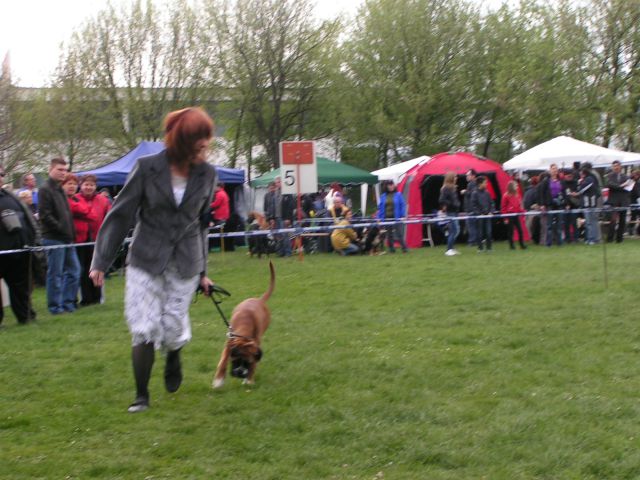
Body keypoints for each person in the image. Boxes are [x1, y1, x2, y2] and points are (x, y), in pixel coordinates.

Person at [89, 107, 217, 413]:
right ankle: (141, 396)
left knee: (173, 328)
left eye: (206, 137)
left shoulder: (208, 174)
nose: (204, 144)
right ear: (182, 138)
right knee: (144, 325)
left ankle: (174, 353)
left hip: (185, 259)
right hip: (146, 258)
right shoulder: (147, 168)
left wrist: (203, 272)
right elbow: (120, 215)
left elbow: (202, 224)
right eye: (198, 137)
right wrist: (101, 261)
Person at [39, 157, 81, 314]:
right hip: (53, 237)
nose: (63, 173)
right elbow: (45, 215)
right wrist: (61, 228)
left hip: (67, 238)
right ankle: (55, 307)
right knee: (55, 274)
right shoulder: (44, 189)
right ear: (51, 169)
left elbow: (67, 214)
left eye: (65, 170)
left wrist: (70, 232)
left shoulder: (60, 190)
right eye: (60, 170)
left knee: (74, 272)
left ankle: (68, 303)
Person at [0, 166, 41, 325]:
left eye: (1, 174)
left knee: (21, 288)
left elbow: (28, 219)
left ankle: (25, 317)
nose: (0, 178)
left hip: (19, 251)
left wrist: (33, 241)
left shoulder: (9, 195)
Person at [76, 174, 111, 305]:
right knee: (83, 270)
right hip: (81, 240)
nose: (89, 187)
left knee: (97, 269)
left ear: (95, 186)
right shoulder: (76, 198)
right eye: (86, 184)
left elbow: (109, 216)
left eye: (91, 185)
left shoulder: (103, 200)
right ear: (81, 185)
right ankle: (85, 298)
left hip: (98, 239)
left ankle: (97, 297)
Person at [376, 180, 408, 253]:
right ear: (386, 186)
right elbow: (380, 208)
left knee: (399, 233)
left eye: (392, 184)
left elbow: (402, 205)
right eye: (389, 185)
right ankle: (391, 249)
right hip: (386, 217)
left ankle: (404, 248)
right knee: (389, 234)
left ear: (394, 185)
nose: (391, 186)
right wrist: (379, 218)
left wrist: (403, 215)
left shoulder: (398, 194)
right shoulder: (383, 196)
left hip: (397, 217)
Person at [538, 164, 565, 246]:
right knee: (549, 225)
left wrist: (566, 202)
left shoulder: (560, 181)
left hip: (559, 204)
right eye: (553, 169)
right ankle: (549, 242)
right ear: (550, 170)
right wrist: (542, 204)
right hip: (549, 204)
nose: (554, 170)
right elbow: (541, 193)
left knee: (559, 224)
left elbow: (564, 192)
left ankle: (559, 242)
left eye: (556, 169)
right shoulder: (546, 181)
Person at [573, 166, 600, 245]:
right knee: (591, 222)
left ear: (584, 173)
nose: (580, 174)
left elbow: (583, 189)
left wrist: (578, 191)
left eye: (581, 173)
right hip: (588, 203)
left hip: (590, 203)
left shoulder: (589, 179)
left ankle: (592, 239)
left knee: (590, 222)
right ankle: (591, 238)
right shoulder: (588, 179)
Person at [605, 160, 630, 243]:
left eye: (617, 166)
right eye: (614, 166)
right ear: (612, 167)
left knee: (622, 221)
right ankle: (610, 238)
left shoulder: (625, 177)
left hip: (623, 201)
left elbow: (629, 186)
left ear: (620, 167)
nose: (616, 167)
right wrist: (621, 186)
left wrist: (621, 187)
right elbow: (610, 185)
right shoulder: (609, 176)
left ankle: (619, 239)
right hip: (613, 201)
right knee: (613, 220)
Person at [438, 172, 461, 256]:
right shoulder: (445, 188)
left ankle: (452, 248)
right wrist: (451, 204)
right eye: (455, 177)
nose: (456, 178)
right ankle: (448, 250)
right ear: (451, 178)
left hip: (455, 211)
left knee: (456, 230)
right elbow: (441, 200)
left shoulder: (453, 188)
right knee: (453, 231)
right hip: (450, 212)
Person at [501, 180, 527, 250]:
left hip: (516, 215)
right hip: (509, 215)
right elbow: (503, 208)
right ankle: (511, 246)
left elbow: (520, 206)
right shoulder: (506, 196)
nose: (517, 187)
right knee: (511, 231)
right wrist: (505, 218)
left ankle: (522, 245)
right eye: (516, 186)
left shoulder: (517, 195)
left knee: (520, 230)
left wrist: (523, 213)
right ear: (511, 187)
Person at [471, 176, 494, 252]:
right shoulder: (474, 193)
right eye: (485, 183)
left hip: (487, 215)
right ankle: (480, 248)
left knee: (489, 232)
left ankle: (489, 248)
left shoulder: (487, 193)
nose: (486, 184)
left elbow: (491, 203)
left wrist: (491, 211)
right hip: (479, 216)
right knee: (479, 233)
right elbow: (473, 205)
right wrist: (478, 214)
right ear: (480, 184)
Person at [461, 169, 478, 246]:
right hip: (471, 208)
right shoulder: (473, 184)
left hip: (471, 209)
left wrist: (465, 192)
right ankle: (474, 240)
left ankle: (472, 241)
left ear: (473, 176)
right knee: (472, 225)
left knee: (471, 226)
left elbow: (473, 194)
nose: (466, 176)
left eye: (468, 175)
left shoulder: (472, 184)